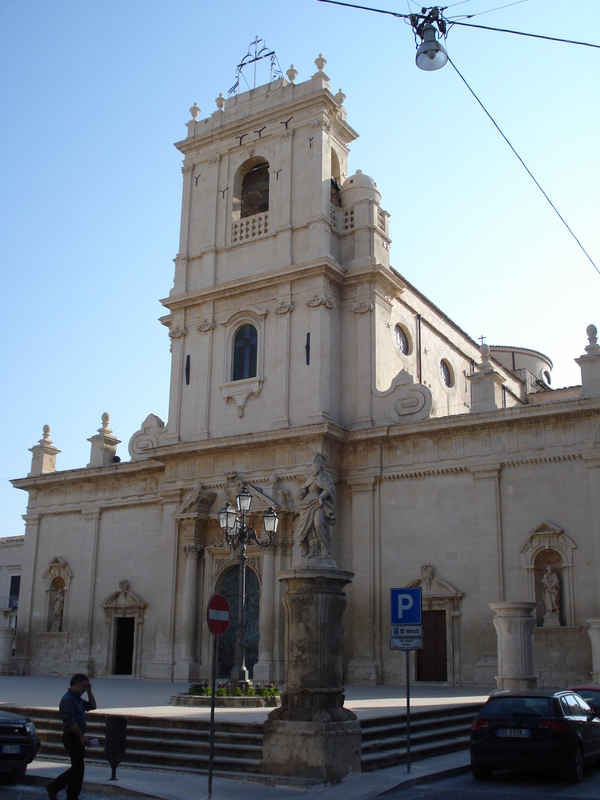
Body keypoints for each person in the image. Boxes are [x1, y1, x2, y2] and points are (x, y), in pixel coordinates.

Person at [46, 674, 97, 800]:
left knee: (79, 768)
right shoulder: (68, 699)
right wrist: (81, 736)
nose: (85, 689)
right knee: (77, 768)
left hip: (78, 737)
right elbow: (70, 721)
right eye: (84, 686)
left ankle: (72, 795)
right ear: (76, 684)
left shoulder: (77, 699)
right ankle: (54, 787)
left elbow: (92, 706)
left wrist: (90, 692)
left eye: (87, 686)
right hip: (71, 737)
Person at [296, 453, 336, 559]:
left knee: (318, 523)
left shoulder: (325, 476)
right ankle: (313, 549)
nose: (314, 464)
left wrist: (322, 496)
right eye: (313, 462)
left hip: (319, 503)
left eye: (316, 462)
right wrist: (301, 494)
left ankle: (325, 548)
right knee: (309, 527)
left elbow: (329, 488)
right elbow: (305, 489)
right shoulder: (310, 478)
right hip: (308, 504)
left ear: (320, 464)